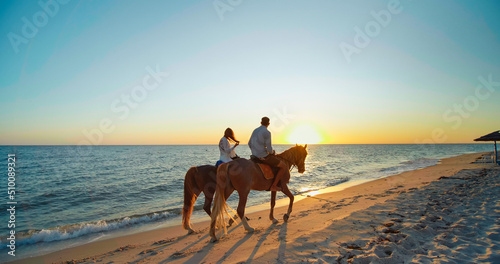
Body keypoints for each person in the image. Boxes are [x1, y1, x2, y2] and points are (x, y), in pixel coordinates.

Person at [248, 117, 289, 191]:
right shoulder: (267, 132)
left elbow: (249, 143)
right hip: (263, 156)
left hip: (254, 156)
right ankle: (274, 185)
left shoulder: (255, 130)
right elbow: (269, 148)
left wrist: (255, 151)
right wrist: (271, 152)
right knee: (283, 166)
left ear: (261, 122)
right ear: (268, 124)